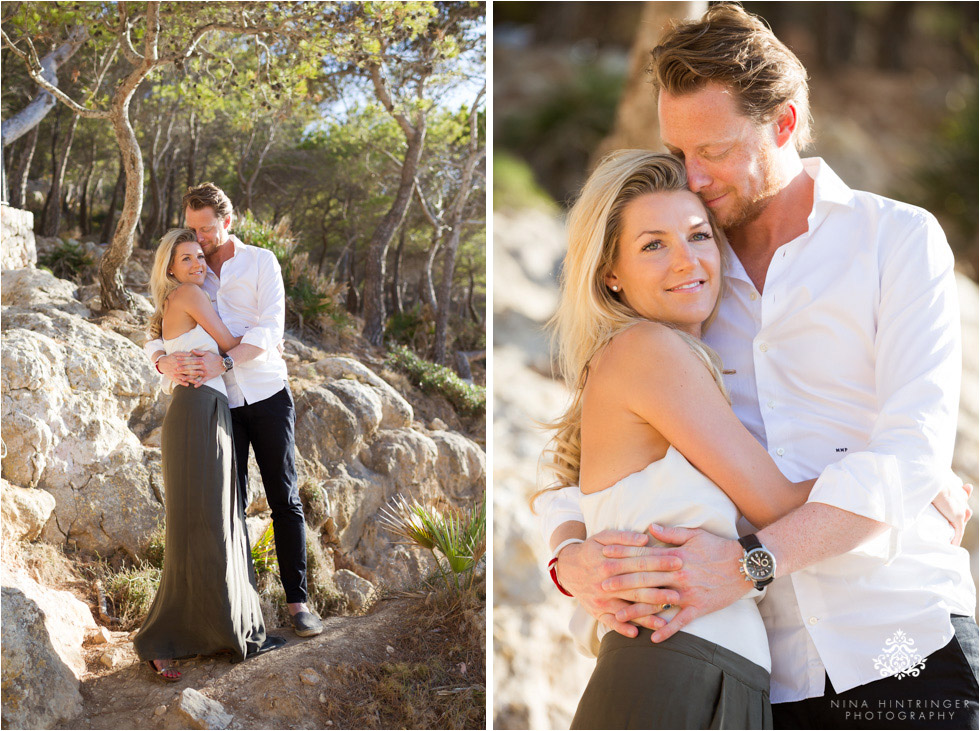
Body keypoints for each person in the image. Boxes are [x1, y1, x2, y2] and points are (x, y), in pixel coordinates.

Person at [536, 5, 977, 729]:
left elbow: (909, 452)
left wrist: (753, 562)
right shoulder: (685, 277)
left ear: (783, 123)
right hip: (763, 679)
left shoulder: (894, 240)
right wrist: (570, 554)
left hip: (900, 638)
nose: (695, 178)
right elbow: (592, 460)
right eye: (679, 151)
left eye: (712, 150)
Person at [541, 149, 826, 728]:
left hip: (714, 665)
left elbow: (561, 493)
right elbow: (776, 505)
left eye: (698, 236)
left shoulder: (668, 357)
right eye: (653, 245)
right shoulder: (649, 350)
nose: (686, 261)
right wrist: (908, 482)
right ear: (609, 273)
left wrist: (564, 553)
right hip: (672, 664)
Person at [144, 183, 323, 638]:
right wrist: (162, 359)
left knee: (285, 498)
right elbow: (158, 327)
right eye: (193, 229)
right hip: (220, 404)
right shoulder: (191, 270)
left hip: (265, 392)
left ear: (229, 221)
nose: (200, 238)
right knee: (232, 504)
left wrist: (224, 360)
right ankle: (244, 607)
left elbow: (270, 331)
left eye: (207, 228)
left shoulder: (261, 262)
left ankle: (298, 603)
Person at [135, 229, 285, 680]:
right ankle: (164, 640)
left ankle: (223, 629)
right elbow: (225, 342)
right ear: (171, 268)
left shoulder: (185, 296)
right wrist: (265, 338)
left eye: (200, 256)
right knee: (204, 522)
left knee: (212, 520)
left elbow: (178, 345)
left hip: (207, 406)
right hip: (199, 409)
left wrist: (164, 357)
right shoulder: (189, 295)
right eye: (186, 258)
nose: (198, 264)